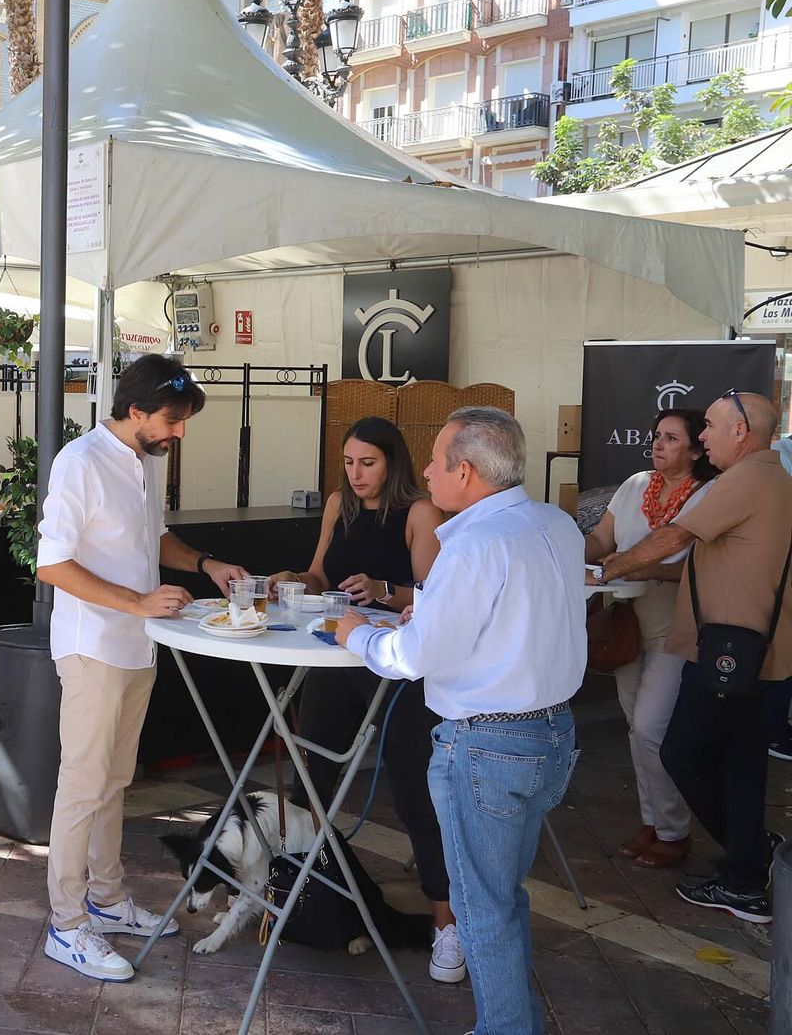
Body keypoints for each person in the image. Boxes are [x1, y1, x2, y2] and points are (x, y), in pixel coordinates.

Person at [336, 407, 582, 1035]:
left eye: (435, 460)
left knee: (481, 908)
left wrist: (356, 636)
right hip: (551, 735)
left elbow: (414, 658)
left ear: (465, 471)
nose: (425, 471)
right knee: (501, 897)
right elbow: (514, 623)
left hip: (488, 745)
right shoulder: (556, 523)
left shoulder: (471, 544)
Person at [34, 354, 249, 982]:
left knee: (113, 781)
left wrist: (205, 564)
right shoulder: (79, 461)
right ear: (135, 412)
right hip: (93, 647)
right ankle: (66, 924)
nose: (179, 433)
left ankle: (105, 898)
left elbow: (153, 539)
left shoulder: (141, 463)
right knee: (82, 786)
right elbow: (52, 564)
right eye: (173, 421)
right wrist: (137, 602)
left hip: (136, 646)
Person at [269, 416, 457, 981]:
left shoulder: (420, 512)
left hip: (398, 667)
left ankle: (447, 926)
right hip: (337, 657)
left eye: (367, 463)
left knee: (416, 793)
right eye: (349, 462)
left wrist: (383, 590)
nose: (356, 474)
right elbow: (321, 574)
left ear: (392, 463)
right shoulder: (338, 505)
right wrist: (290, 580)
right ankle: (312, 898)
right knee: (313, 781)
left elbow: (435, 595)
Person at [600, 390, 792, 923]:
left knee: (682, 752)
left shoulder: (746, 479)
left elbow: (676, 536)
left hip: (731, 653)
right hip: (757, 653)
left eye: (709, 426)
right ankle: (747, 872)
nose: (704, 437)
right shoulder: (771, 477)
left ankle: (747, 857)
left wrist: (608, 571)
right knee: (741, 763)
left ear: (742, 431)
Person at [583, 408, 718, 870]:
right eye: (657, 436)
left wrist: (641, 566)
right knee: (635, 726)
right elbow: (602, 540)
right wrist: (559, 546)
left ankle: (673, 830)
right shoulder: (636, 483)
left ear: (698, 449)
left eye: (672, 438)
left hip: (674, 626)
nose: (659, 444)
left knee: (650, 727)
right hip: (626, 622)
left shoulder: (709, 494)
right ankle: (654, 821)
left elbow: (700, 567)